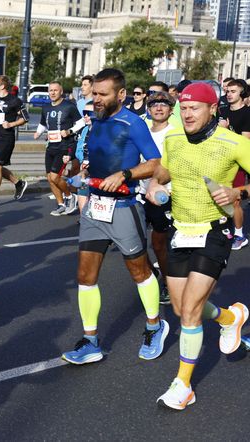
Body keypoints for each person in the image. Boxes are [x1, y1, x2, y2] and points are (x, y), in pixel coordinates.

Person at [146, 82, 249, 410]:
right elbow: (165, 169)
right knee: (181, 308)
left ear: (212, 109)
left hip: (215, 232)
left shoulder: (231, 143)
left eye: (194, 108)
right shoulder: (174, 137)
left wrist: (237, 194)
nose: (187, 113)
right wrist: (154, 183)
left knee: (189, 312)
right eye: (184, 108)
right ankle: (229, 318)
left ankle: (183, 386)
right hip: (181, 231)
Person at [61, 68, 169, 365]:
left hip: (123, 208)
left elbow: (155, 165)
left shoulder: (133, 123)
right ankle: (91, 341)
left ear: (120, 95)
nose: (95, 99)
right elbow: (100, 157)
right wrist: (86, 172)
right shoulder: (94, 121)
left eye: (102, 94)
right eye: (93, 93)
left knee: (139, 272)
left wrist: (124, 174)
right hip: (95, 207)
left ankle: (154, 325)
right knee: (85, 276)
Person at [138, 91, 176, 305]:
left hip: (165, 194)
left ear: (171, 110)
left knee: (159, 244)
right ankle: (153, 274)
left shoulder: (175, 133)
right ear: (148, 109)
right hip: (140, 193)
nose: (159, 108)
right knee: (133, 243)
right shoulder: (142, 131)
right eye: (154, 104)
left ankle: (169, 283)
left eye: (164, 104)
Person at [34, 81, 83, 216]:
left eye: (56, 90)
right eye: (51, 90)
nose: (53, 93)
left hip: (64, 146)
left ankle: (70, 196)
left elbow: (81, 122)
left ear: (61, 92)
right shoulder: (46, 107)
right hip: (51, 146)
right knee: (50, 177)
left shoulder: (69, 106)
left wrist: (70, 131)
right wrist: (38, 132)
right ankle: (61, 204)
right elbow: (43, 123)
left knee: (56, 176)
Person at [0, 75, 29, 208]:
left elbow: (25, 118)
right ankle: (19, 183)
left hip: (7, 137)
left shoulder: (14, 101)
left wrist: (11, 124)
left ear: (2, 86)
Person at [217, 78, 250, 250]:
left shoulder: (247, 113)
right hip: (220, 159)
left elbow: (244, 141)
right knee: (219, 196)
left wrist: (225, 131)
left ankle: (239, 235)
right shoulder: (221, 111)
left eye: (233, 91)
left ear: (242, 94)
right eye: (227, 91)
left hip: (237, 161)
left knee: (235, 198)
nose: (228, 94)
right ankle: (226, 229)